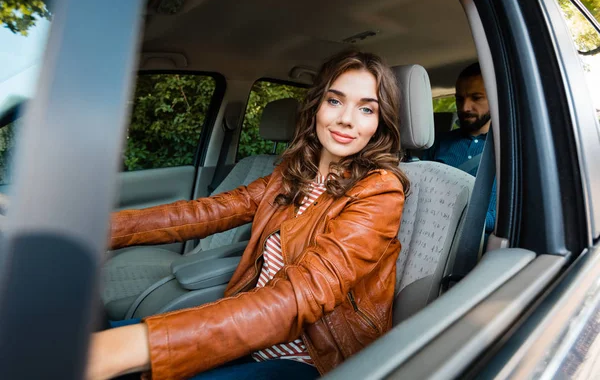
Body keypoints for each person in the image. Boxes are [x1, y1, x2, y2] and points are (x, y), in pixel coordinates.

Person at [86, 49, 409, 380]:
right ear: (316, 107)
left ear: (379, 123)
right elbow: (206, 213)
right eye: (335, 101)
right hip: (250, 336)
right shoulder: (293, 174)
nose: (346, 119)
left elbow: (301, 297)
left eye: (366, 109)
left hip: (310, 357)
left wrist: (147, 344)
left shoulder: (380, 192)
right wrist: (98, 228)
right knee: (86, 343)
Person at [423, 62, 496, 233]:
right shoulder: (438, 142)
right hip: (432, 238)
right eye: (460, 99)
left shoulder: (509, 150)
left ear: (494, 98)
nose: (465, 108)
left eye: (476, 98)